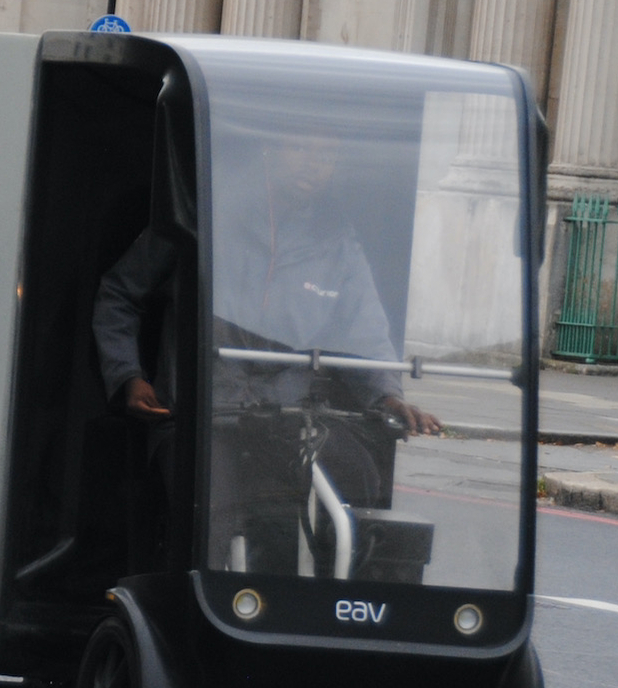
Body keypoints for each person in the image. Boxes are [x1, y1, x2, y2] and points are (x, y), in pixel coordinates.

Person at [94, 132, 440, 574]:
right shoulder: (201, 219)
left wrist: (388, 396)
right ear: (267, 152)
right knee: (211, 521)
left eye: (326, 153)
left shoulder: (338, 244)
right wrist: (128, 375)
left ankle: (335, 611)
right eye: (300, 147)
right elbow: (119, 295)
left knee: (361, 479)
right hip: (199, 418)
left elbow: (365, 338)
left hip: (285, 422)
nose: (313, 163)